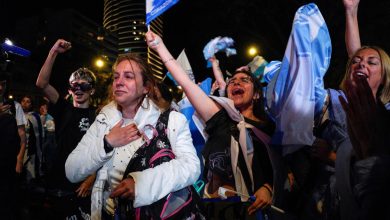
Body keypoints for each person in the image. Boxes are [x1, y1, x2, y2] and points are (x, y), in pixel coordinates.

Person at [146, 31, 276, 217]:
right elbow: (186, 83)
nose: (236, 83)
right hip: (211, 208)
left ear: (256, 94)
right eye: (232, 81)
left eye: (244, 80)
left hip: (251, 210)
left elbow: (284, 168)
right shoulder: (220, 118)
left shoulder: (269, 128)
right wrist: (160, 47)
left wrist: (268, 188)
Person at [65, 53, 201, 219]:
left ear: (146, 87)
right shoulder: (104, 119)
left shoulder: (171, 120)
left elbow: (191, 166)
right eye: (116, 77)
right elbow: (71, 171)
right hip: (106, 213)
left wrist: (142, 185)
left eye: (128, 76)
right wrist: (107, 143)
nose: (119, 82)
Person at [36, 39, 97, 219]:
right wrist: (53, 51)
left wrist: (92, 178)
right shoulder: (64, 109)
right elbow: (41, 84)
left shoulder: (99, 116)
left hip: (83, 187)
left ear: (92, 90)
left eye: (84, 85)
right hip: (58, 184)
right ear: (70, 90)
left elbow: (104, 150)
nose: (79, 89)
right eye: (74, 86)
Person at [0, 73, 28, 175]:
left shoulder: (15, 106)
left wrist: (20, 159)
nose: (0, 87)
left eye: (3, 84)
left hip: (8, 159)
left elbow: (22, 136)